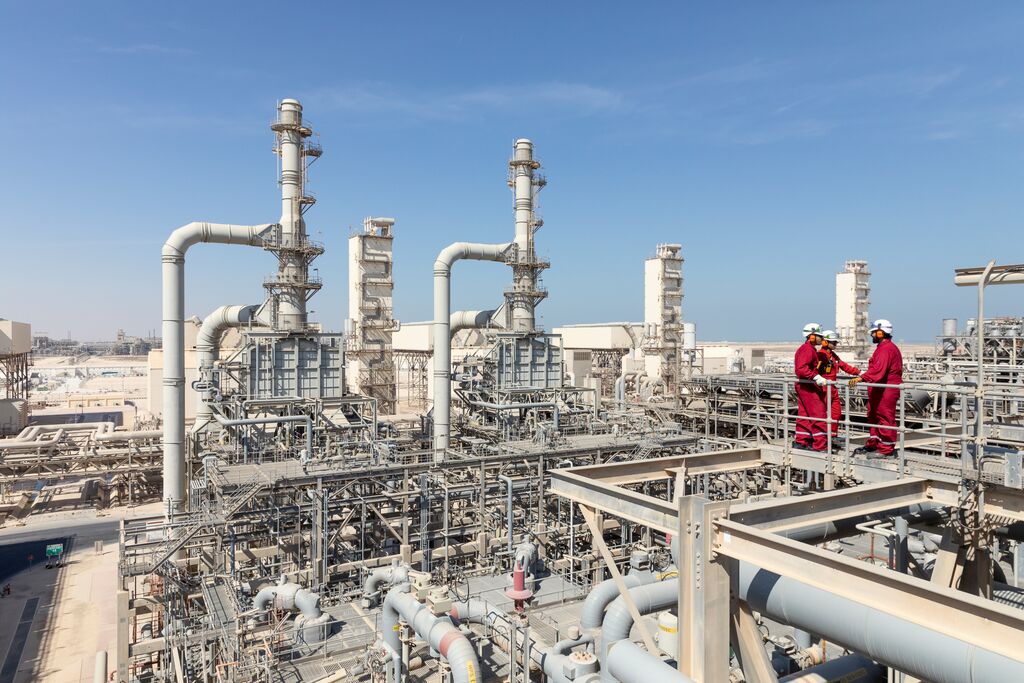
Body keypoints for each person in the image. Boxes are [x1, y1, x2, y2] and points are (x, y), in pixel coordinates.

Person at [850, 319, 903, 457]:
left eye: (873, 333)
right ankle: (875, 443)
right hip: (879, 389)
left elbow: (878, 370)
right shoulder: (883, 348)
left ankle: (886, 449)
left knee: (885, 417)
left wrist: (862, 378)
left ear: (880, 332)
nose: (872, 335)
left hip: (886, 389)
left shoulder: (886, 349)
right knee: (874, 415)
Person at [818, 330, 860, 439]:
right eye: (834, 342)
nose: (836, 344)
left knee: (836, 413)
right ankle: (821, 436)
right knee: (821, 413)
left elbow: (844, 366)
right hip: (823, 387)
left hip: (832, 388)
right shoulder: (820, 355)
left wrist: (859, 373)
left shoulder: (833, 355)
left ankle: (832, 435)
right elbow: (815, 371)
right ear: (825, 342)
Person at [794, 322, 828, 451]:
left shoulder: (808, 349)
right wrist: (816, 377)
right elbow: (801, 368)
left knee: (804, 414)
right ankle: (820, 445)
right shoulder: (807, 349)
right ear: (812, 336)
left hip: (804, 385)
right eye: (819, 336)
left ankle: (802, 441)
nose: (821, 339)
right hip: (808, 386)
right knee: (818, 415)